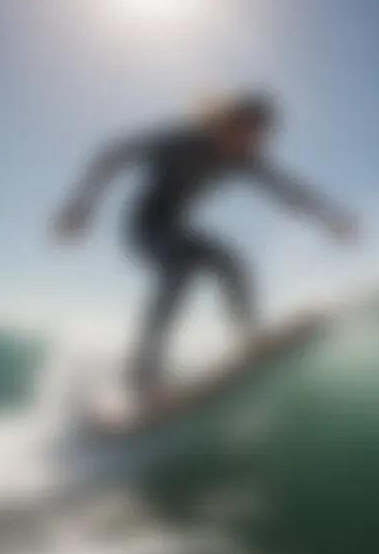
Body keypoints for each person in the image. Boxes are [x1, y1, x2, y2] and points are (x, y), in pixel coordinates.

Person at [53, 91, 359, 401]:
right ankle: (143, 372)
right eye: (246, 131)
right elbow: (113, 154)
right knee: (181, 270)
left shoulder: (243, 161)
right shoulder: (181, 142)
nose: (250, 143)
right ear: (227, 123)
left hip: (176, 228)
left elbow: (287, 188)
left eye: (258, 137)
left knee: (231, 261)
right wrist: (81, 205)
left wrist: (330, 217)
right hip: (145, 227)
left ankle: (250, 338)